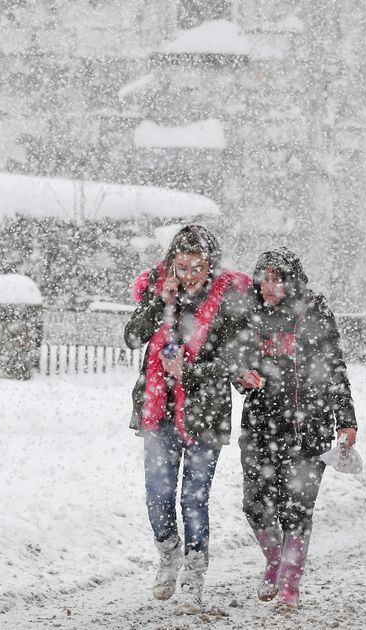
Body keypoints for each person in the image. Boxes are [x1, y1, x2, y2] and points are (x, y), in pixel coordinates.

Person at [123, 225, 254, 614]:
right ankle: (168, 556)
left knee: (194, 499)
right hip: (158, 411)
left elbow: (236, 362)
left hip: (206, 415)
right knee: (157, 495)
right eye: (182, 266)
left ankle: (194, 576)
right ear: (171, 265)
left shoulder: (228, 302)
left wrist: (189, 374)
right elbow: (131, 338)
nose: (189, 275)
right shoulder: (161, 291)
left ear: (210, 265)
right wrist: (157, 303)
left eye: (197, 266)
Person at [236, 247, 358, 609]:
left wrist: (346, 420)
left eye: (276, 280)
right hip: (260, 427)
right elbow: (235, 361)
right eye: (263, 280)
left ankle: (290, 582)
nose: (268, 287)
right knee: (255, 505)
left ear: (292, 281)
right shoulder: (250, 316)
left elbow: (335, 369)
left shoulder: (315, 314)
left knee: (296, 509)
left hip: (309, 428)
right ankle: (274, 561)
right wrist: (242, 376)